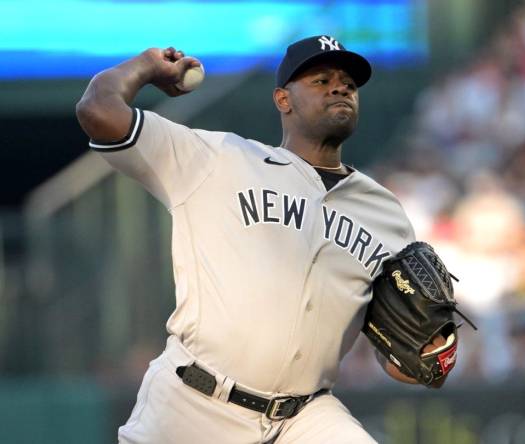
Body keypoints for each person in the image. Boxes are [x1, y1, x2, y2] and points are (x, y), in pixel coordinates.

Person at [76, 35, 446, 444]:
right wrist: (145, 65)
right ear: (283, 100)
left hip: (304, 416)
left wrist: (426, 352)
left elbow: (393, 349)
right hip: (193, 403)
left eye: (348, 83)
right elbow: (98, 109)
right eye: (321, 80)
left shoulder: (385, 212)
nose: (340, 87)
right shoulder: (218, 158)